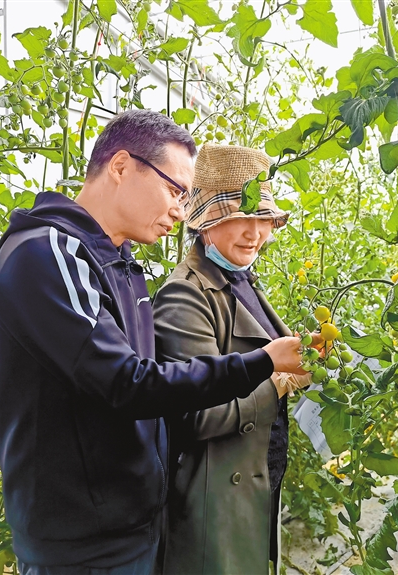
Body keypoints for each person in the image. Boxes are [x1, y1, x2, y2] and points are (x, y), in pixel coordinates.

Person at [0, 111, 307, 574]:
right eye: (174, 190)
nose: (180, 210)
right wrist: (264, 365)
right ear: (120, 166)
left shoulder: (121, 264)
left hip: (132, 527)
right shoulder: (46, 255)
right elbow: (129, 383)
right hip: (81, 547)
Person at [153, 144, 312, 575]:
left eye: (263, 219)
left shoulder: (241, 279)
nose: (254, 233)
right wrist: (278, 380)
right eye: (239, 217)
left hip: (252, 487)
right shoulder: (186, 293)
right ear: (205, 223)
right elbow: (195, 412)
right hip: (214, 505)